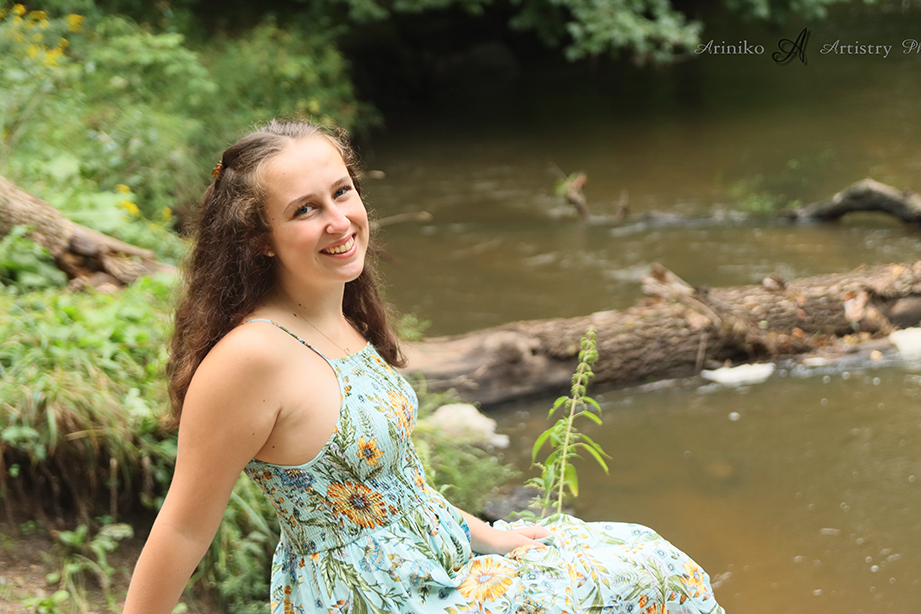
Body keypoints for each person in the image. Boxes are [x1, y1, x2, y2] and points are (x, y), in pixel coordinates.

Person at [123, 119, 725, 614]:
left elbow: (396, 490)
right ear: (259, 237)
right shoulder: (251, 358)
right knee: (645, 576)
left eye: (342, 192)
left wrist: (488, 534)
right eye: (305, 210)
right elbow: (182, 530)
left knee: (642, 554)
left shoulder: (341, 318)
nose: (338, 221)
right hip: (375, 598)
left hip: (435, 560)